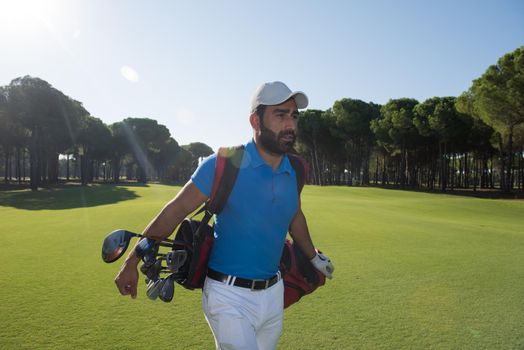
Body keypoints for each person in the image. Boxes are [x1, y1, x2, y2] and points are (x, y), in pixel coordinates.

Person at [115, 81, 335, 350]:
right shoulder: (222, 164)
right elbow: (175, 211)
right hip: (228, 296)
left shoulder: (297, 169)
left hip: (274, 294)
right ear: (256, 121)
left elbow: (295, 215)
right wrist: (132, 259)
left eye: (294, 115)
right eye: (280, 114)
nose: (290, 124)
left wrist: (313, 256)